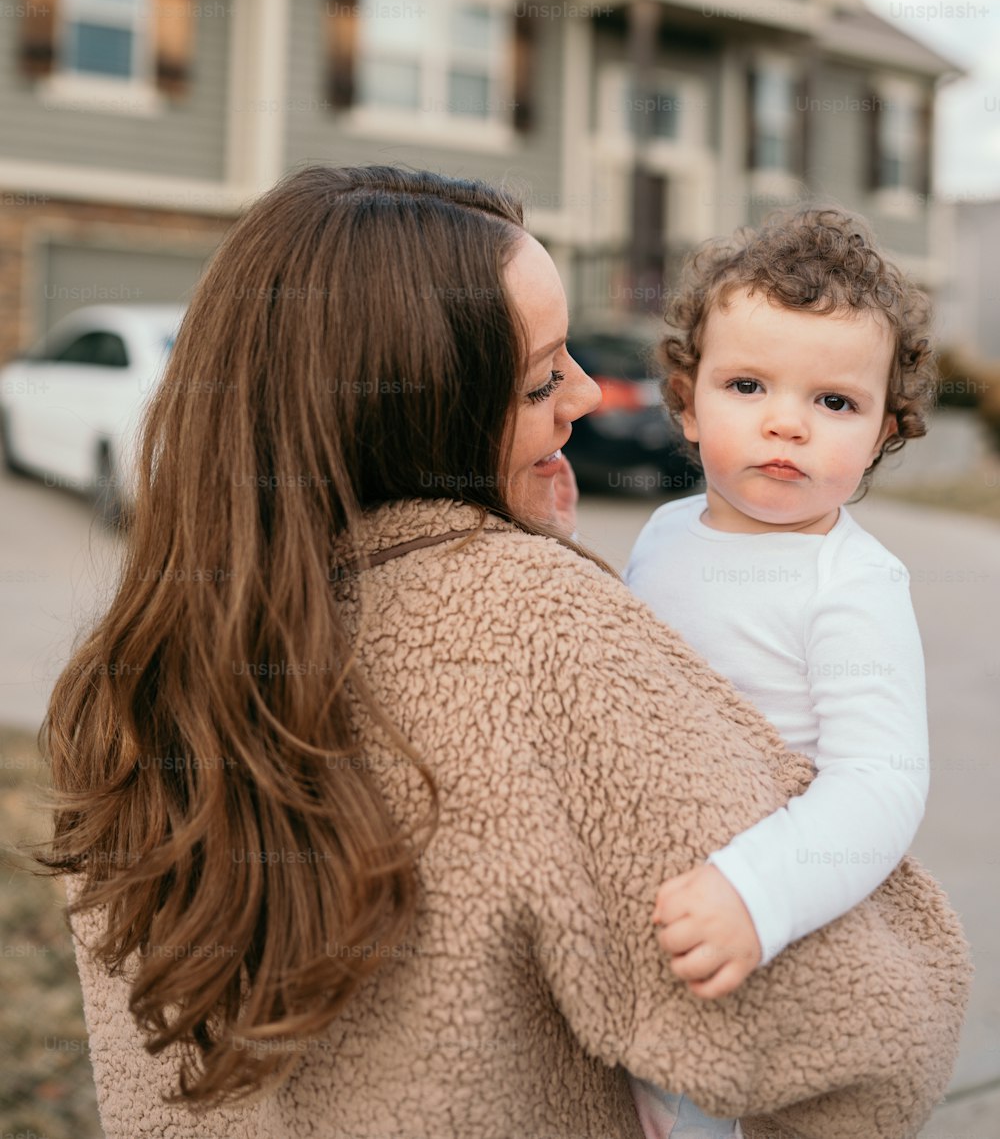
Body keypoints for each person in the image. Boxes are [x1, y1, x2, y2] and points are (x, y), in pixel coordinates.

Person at [40, 168, 968, 1138]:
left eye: (832, 400)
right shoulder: (537, 637)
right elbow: (873, 1034)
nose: (582, 392)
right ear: (421, 413)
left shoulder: (133, 685)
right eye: (538, 378)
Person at [624, 207, 937, 1139]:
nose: (786, 424)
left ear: (884, 430)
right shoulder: (664, 531)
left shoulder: (854, 584)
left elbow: (880, 781)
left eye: (835, 403)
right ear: (687, 400)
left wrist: (759, 893)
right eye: (749, 384)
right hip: (636, 881)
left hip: (750, 913)